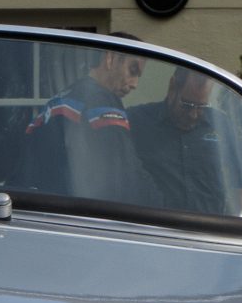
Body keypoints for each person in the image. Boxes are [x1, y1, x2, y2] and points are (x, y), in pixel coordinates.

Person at [22, 49, 148, 204]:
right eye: (133, 70)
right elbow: (127, 173)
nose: (135, 83)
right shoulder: (102, 100)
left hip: (39, 207)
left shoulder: (61, 98)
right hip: (78, 214)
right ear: (110, 58)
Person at [130, 69, 237, 213]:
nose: (193, 115)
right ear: (172, 87)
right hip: (156, 228)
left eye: (201, 107)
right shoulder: (137, 121)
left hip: (209, 230)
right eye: (187, 105)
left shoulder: (221, 124)